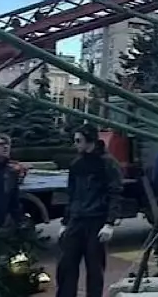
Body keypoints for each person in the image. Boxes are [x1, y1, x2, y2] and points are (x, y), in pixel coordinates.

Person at [57, 124, 124, 297]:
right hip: (77, 220)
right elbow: (72, 195)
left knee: (94, 268)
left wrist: (110, 223)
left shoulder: (107, 163)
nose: (76, 144)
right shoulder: (77, 163)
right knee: (66, 264)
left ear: (90, 141)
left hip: (96, 220)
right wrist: (65, 221)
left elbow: (115, 192)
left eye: (79, 140)